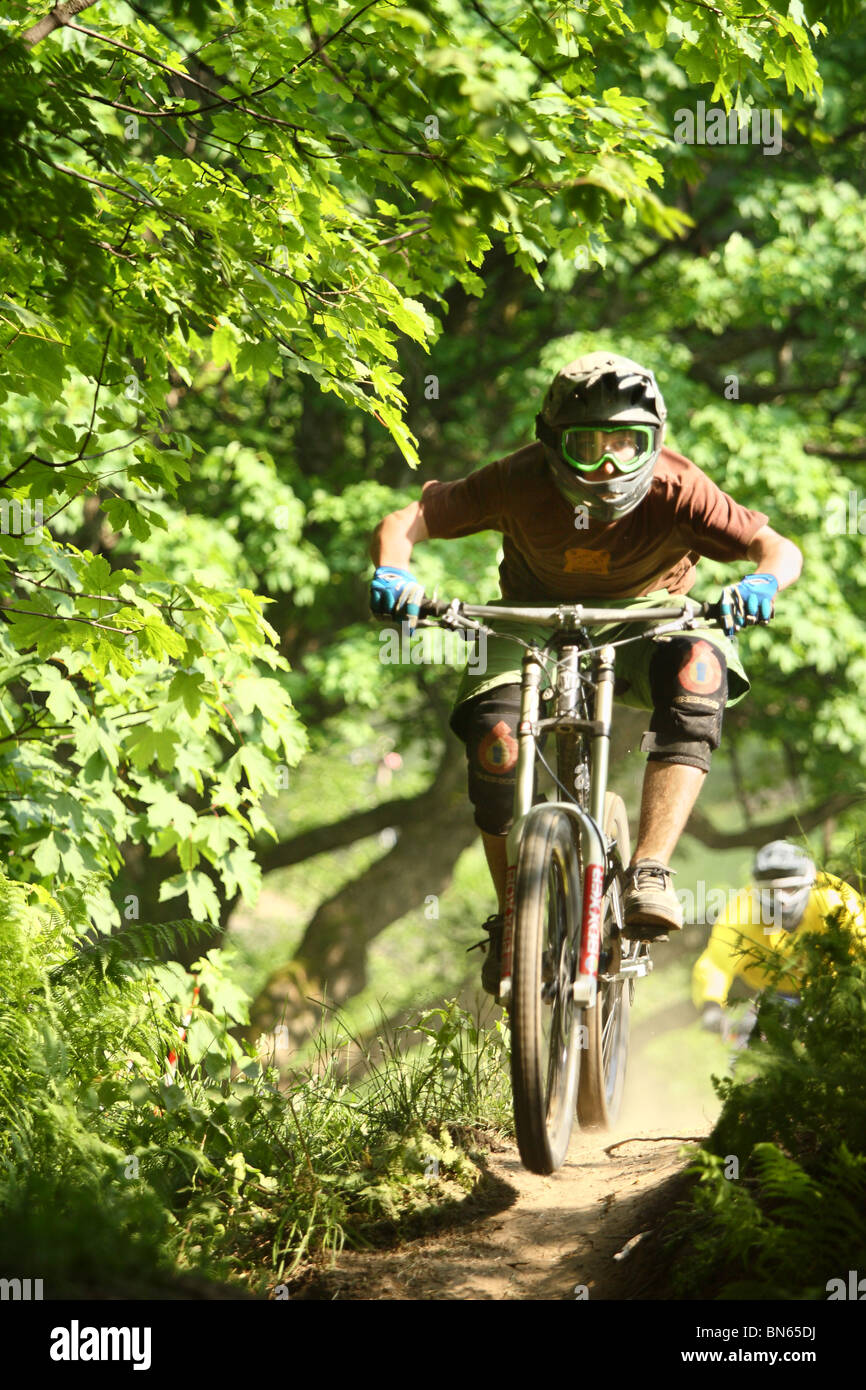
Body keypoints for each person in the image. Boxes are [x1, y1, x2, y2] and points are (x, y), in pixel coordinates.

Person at [369, 351, 803, 995]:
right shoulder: (516, 479)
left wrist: (763, 582)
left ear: (654, 444)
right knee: (496, 744)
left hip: (651, 620)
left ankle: (651, 869)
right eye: (588, 445)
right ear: (550, 445)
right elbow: (409, 521)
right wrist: (394, 570)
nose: (608, 465)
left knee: (700, 674)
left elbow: (777, 546)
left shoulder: (679, 487)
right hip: (528, 619)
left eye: (628, 445)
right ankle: (514, 909)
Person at [692, 839, 866, 1032]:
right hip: (776, 996)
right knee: (749, 1057)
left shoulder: (834, 901)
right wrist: (711, 1007)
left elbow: (862, 947)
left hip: (838, 990)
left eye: (789, 888)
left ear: (810, 883)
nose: (781, 899)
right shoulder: (742, 912)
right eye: (771, 890)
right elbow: (717, 963)